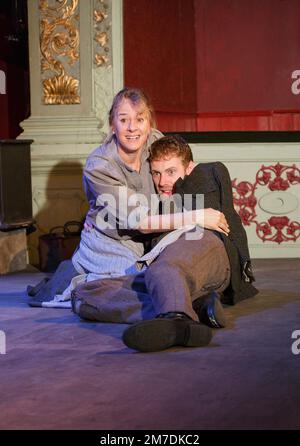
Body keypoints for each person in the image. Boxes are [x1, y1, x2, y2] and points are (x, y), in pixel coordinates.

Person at [28, 88, 228, 312]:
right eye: (124, 120)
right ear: (113, 125)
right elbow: (140, 222)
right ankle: (189, 306)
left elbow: (179, 178)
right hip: (111, 242)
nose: (133, 128)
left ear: (149, 122)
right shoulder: (100, 166)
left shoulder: (155, 141)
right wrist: (198, 216)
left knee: (186, 260)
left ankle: (183, 301)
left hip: (153, 235)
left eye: (139, 119)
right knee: (139, 282)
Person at [71, 135, 258, 352]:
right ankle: (191, 308)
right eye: (156, 173)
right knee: (86, 293)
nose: (162, 181)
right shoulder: (153, 200)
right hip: (169, 268)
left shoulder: (204, 176)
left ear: (189, 168)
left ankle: (176, 316)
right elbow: (129, 216)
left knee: (164, 268)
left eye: (171, 172)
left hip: (203, 246)